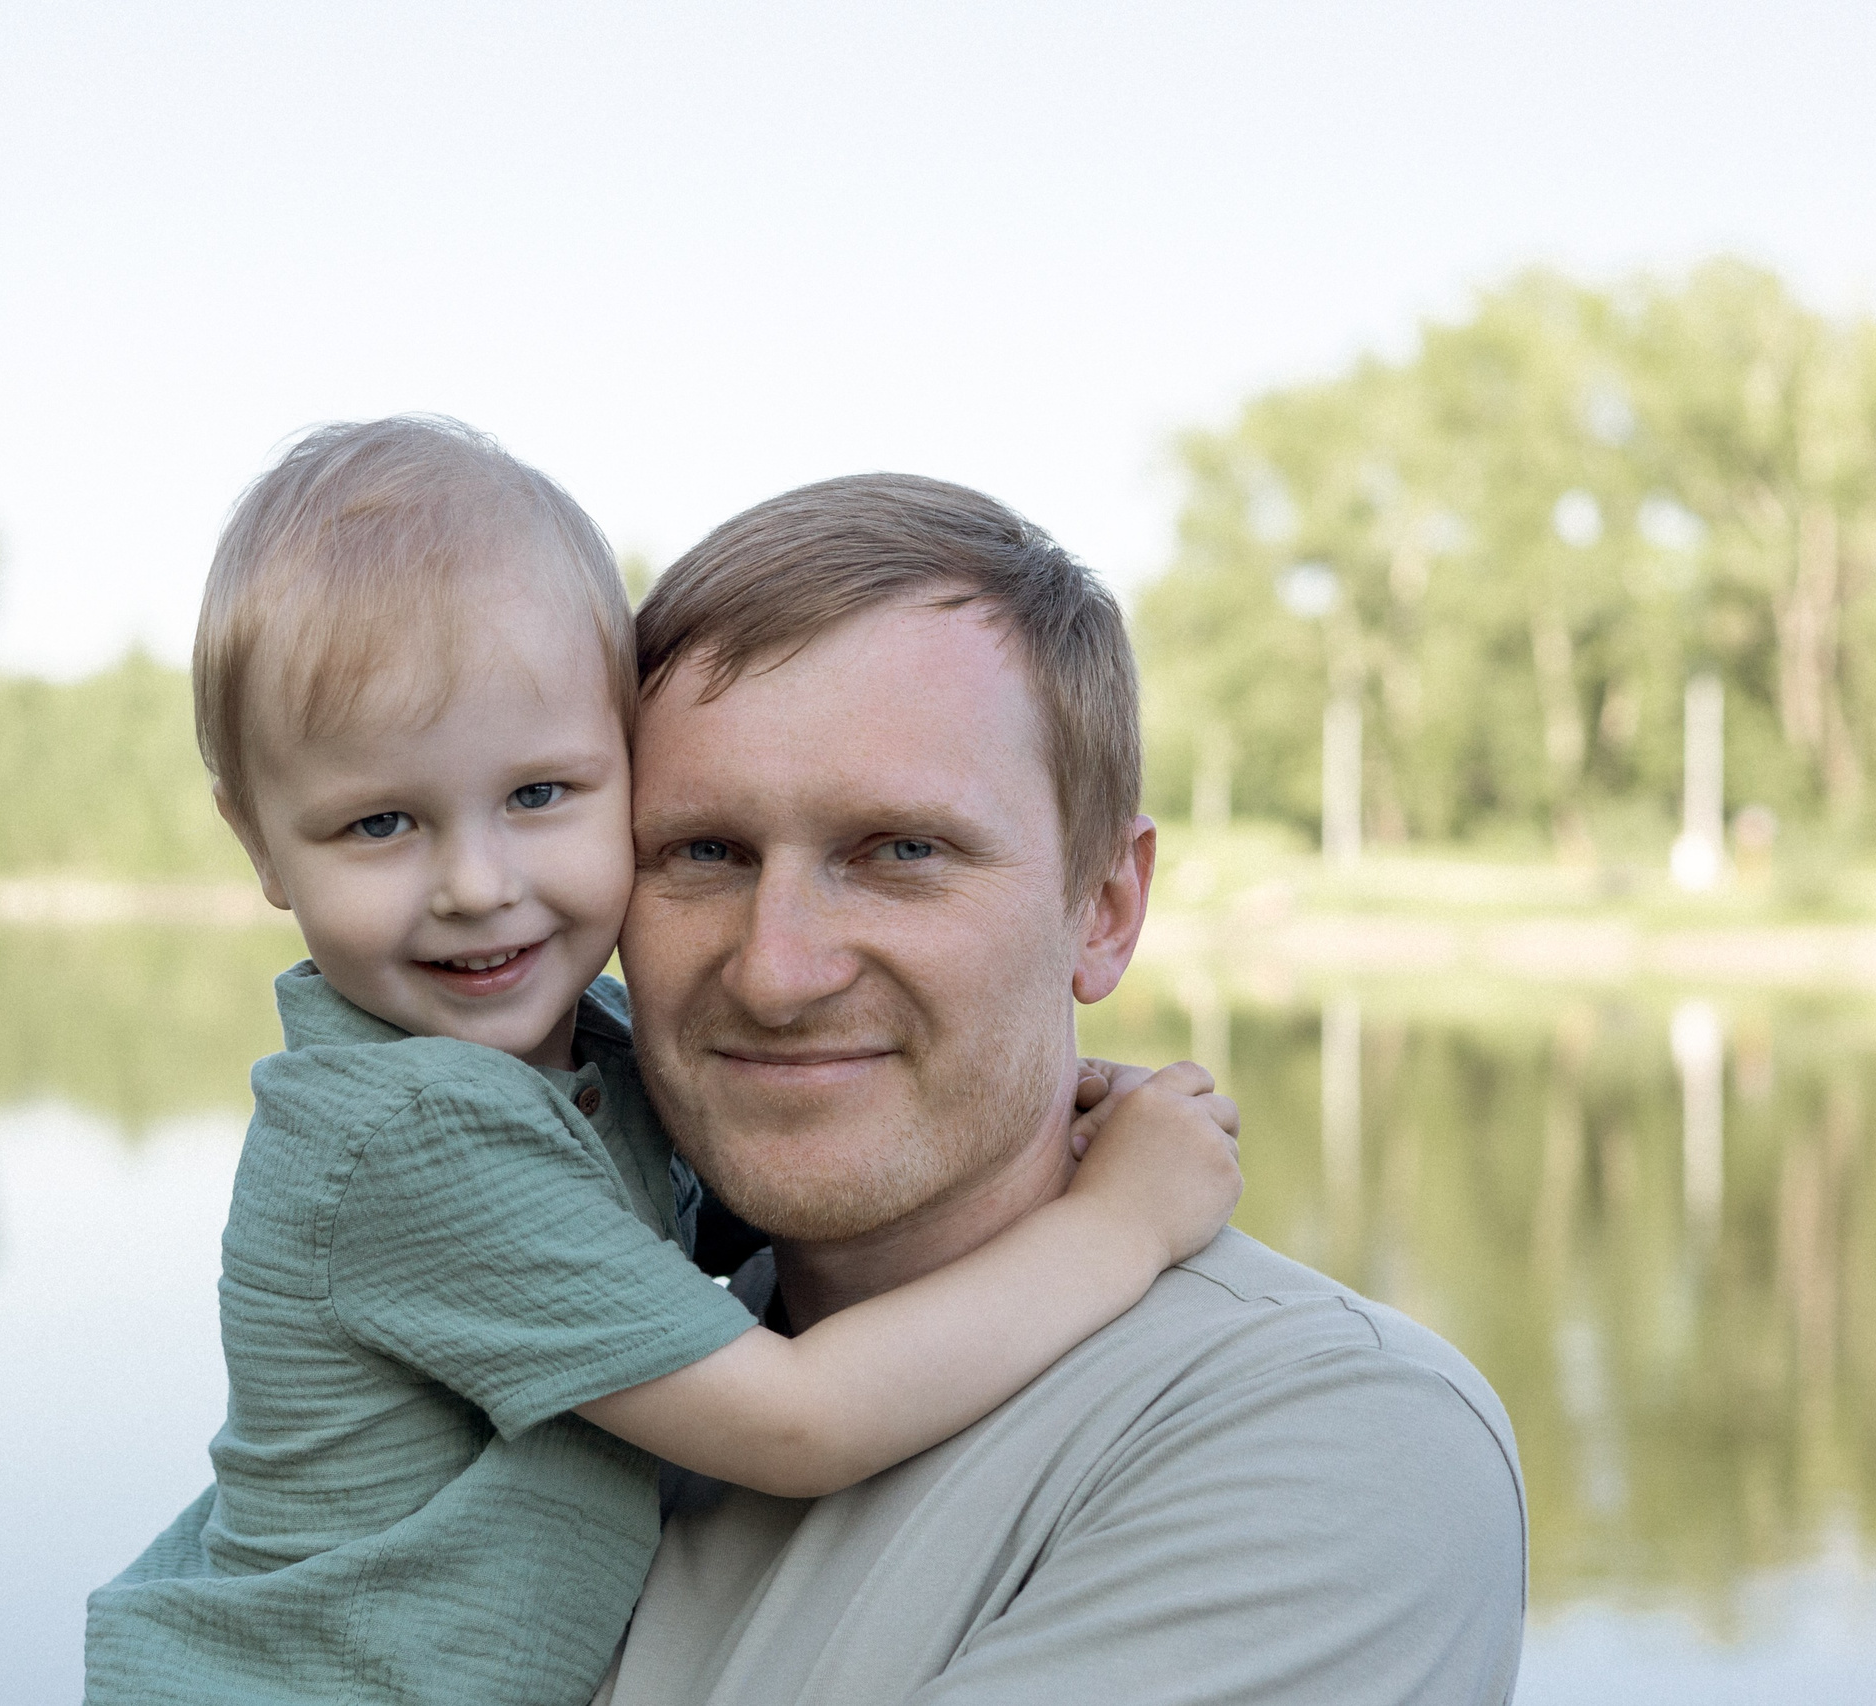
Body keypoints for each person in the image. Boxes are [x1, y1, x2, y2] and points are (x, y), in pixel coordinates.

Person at [82, 419, 1244, 1706]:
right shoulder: (408, 1132)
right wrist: (1125, 1219)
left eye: (540, 796)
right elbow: (796, 1420)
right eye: (379, 821)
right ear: (259, 844)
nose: (477, 885)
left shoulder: (591, 1058)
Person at [595, 473, 1528, 1705]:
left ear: (1105, 906)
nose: (775, 970)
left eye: (902, 851)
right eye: (700, 852)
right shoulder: (581, 1355)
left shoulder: (1335, 1438)